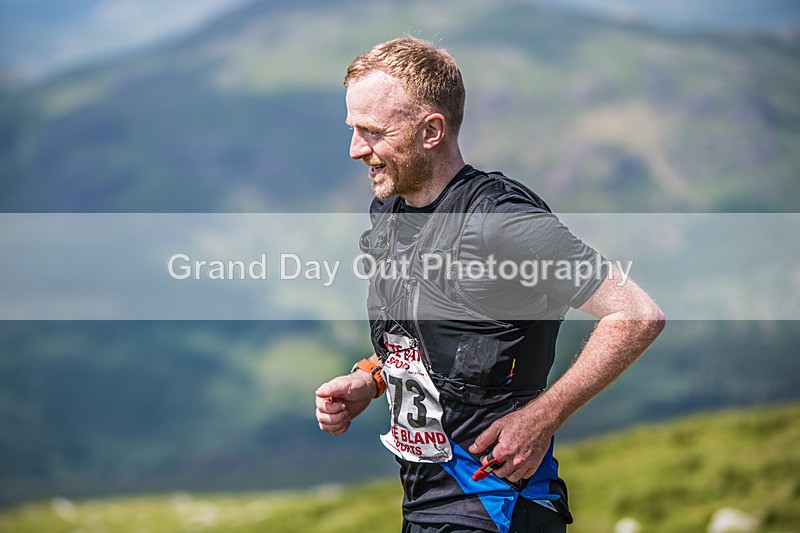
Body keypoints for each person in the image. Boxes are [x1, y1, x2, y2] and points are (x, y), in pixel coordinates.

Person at [315, 37, 665, 533]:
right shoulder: (391, 213)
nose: (355, 150)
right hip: (425, 506)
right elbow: (436, 340)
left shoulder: (501, 220)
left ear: (431, 131)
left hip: (497, 506)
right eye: (353, 129)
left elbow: (635, 313)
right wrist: (371, 378)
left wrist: (542, 417)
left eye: (373, 132)